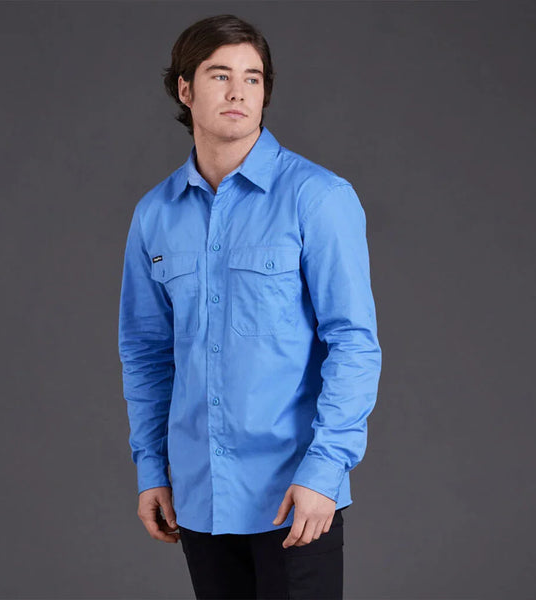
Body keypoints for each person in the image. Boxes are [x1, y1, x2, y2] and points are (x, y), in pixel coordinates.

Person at [118, 13, 382, 600]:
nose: (238, 91)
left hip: (295, 496)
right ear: (185, 90)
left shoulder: (318, 197)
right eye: (220, 75)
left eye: (253, 78)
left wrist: (325, 470)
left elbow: (354, 343)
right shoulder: (154, 214)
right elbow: (146, 354)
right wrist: (151, 469)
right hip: (198, 498)